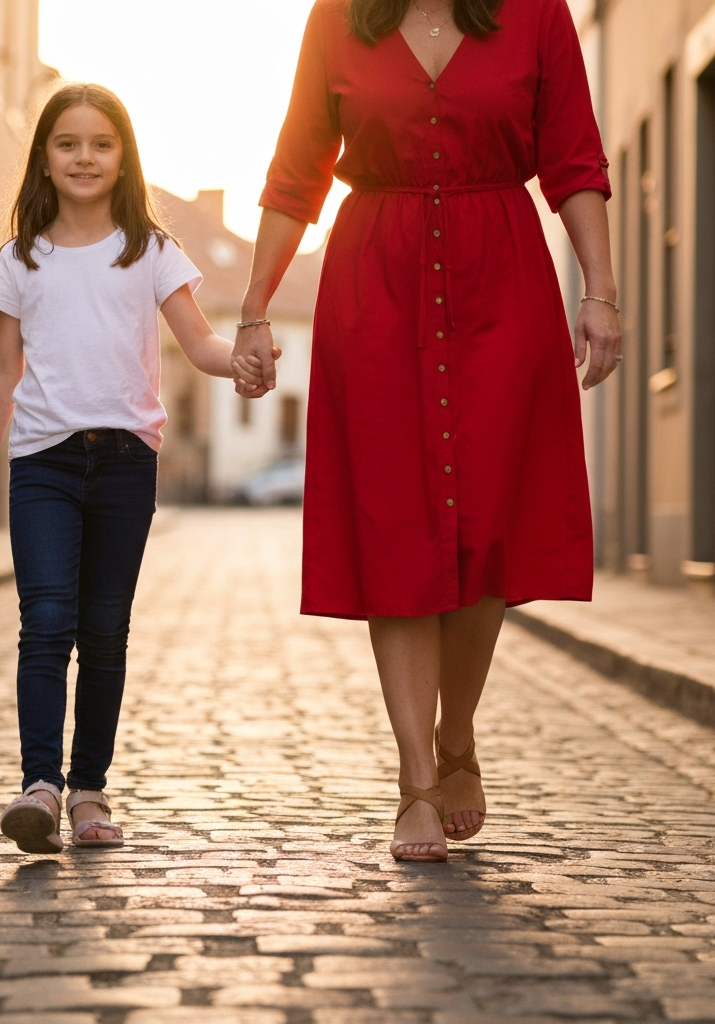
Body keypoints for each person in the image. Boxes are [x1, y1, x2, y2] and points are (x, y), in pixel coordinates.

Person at [232, 0, 622, 862]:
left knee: (488, 526)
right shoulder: (337, 19)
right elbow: (296, 169)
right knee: (396, 529)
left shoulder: (537, 16)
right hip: (377, 287)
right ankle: (415, 780)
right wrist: (254, 307)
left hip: (501, 281)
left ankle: (458, 738)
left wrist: (598, 291)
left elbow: (573, 158)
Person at [0, 83, 237, 853]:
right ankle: (40, 788)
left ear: (123, 160)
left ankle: (90, 791)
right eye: (67, 144)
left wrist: (244, 363)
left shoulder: (149, 251)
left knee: (106, 632)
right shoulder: (19, 259)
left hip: (125, 464)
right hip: (43, 462)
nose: (84, 157)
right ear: (45, 160)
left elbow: (200, 343)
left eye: (100, 144)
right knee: (45, 623)